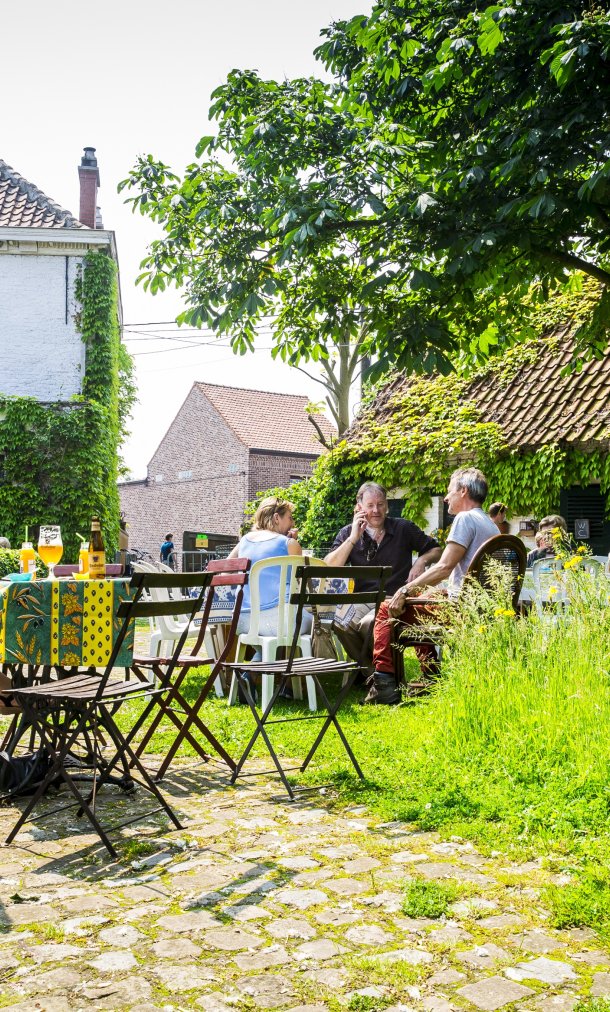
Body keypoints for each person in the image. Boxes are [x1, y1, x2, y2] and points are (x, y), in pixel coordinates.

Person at [366, 467, 498, 705]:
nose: (446, 497)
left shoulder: (465, 518)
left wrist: (404, 590)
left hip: (461, 611)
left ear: (463, 491)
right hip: (481, 607)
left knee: (387, 608)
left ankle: (384, 684)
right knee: (423, 600)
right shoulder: (490, 523)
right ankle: (431, 677)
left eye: (449, 491)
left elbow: (444, 567)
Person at [324, 482, 442, 675]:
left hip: (393, 599)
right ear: (360, 507)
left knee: (369, 624)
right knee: (339, 621)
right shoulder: (348, 532)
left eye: (380, 504)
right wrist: (354, 537)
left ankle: (380, 673)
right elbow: (329, 567)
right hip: (361, 600)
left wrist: (421, 561)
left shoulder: (403, 528)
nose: (376, 510)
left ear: (387, 505)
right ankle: (373, 672)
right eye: (370, 505)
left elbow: (436, 550)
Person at [228, 496, 312, 639]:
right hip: (280, 621)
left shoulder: (244, 540)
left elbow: (225, 568)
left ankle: (259, 660)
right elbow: (303, 581)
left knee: (268, 645)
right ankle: (301, 661)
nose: (293, 523)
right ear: (276, 518)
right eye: (290, 518)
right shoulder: (289, 543)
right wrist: (292, 542)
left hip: (242, 619)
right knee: (318, 623)